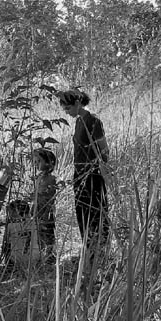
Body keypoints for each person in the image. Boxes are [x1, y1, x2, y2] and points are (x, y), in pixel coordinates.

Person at [57, 89, 110, 260]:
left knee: (95, 212)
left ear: (78, 103)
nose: (67, 112)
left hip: (92, 175)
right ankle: (88, 248)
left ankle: (99, 250)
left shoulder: (93, 121)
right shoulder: (79, 121)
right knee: (82, 212)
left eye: (68, 108)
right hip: (79, 173)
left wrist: (97, 167)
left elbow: (104, 150)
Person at [31, 148, 58, 264]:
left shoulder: (51, 179)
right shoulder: (38, 178)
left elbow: (51, 198)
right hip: (38, 209)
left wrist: (47, 211)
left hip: (46, 210)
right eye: (35, 162)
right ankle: (41, 254)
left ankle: (50, 255)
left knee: (48, 232)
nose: (36, 164)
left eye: (39, 161)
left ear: (49, 163)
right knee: (39, 232)